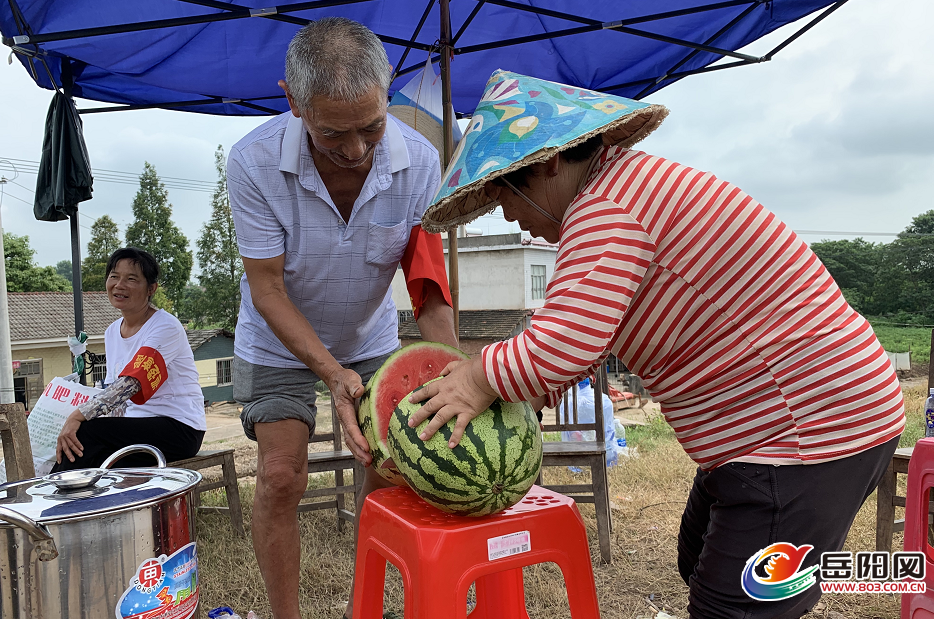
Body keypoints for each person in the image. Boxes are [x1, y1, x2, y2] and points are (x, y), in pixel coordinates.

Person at [410, 71, 905, 619]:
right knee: (699, 559)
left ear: (550, 161)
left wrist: (478, 378)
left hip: (805, 429)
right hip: (773, 427)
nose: (506, 213)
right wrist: (537, 382)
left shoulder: (607, 208)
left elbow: (564, 341)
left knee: (737, 606)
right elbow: (591, 328)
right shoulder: (620, 190)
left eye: (506, 190)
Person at [227, 17, 456, 619]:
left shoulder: (421, 162)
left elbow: (427, 283)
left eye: (372, 126)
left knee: (384, 473)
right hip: (276, 340)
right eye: (333, 132)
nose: (356, 150)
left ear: (388, 94)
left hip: (370, 334)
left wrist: (455, 371)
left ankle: (368, 608)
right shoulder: (252, 162)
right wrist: (331, 375)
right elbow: (269, 289)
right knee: (280, 476)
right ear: (293, 102)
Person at [53, 247, 206, 471]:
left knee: (86, 432)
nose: (119, 285)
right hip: (135, 426)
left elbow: (130, 384)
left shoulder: (165, 326)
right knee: (92, 456)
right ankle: (75, 499)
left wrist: (79, 416)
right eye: (114, 276)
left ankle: (55, 496)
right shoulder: (112, 331)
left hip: (179, 427)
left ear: (151, 289)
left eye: (131, 279)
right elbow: (115, 396)